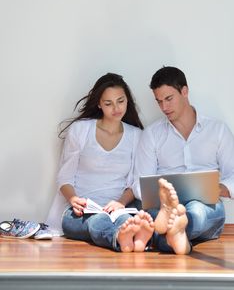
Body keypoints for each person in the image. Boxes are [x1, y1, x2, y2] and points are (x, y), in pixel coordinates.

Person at [47, 72, 154, 252]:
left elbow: (135, 181)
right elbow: (64, 177)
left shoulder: (136, 136)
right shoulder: (80, 130)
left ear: (128, 100)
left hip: (119, 208)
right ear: (99, 104)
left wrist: (120, 203)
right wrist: (73, 199)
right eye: (108, 103)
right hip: (79, 212)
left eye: (121, 101)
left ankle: (131, 239)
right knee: (97, 220)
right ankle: (121, 238)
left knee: (124, 220)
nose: (116, 108)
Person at [133, 65, 234, 252]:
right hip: (163, 206)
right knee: (156, 217)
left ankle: (175, 229)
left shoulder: (217, 130)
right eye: (159, 101)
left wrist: (218, 188)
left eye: (169, 99)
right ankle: (178, 237)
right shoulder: (152, 135)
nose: (164, 107)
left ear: (185, 91)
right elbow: (139, 184)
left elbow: (233, 175)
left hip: (206, 205)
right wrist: (164, 198)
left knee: (196, 210)